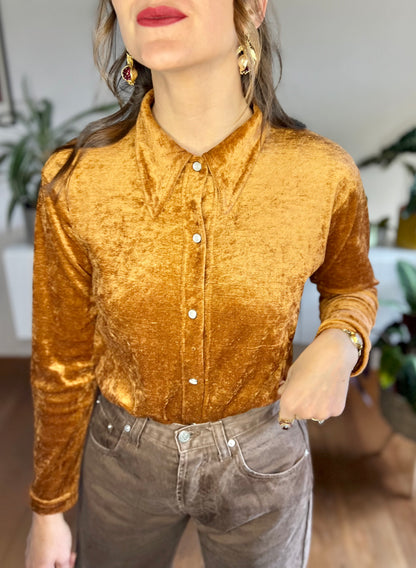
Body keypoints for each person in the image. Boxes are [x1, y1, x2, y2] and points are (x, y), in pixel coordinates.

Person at [25, 1, 378, 567]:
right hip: (121, 462)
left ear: (253, 8)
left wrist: (342, 341)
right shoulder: (76, 181)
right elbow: (61, 359)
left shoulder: (322, 175)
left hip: (265, 452)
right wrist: (47, 513)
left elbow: (352, 288)